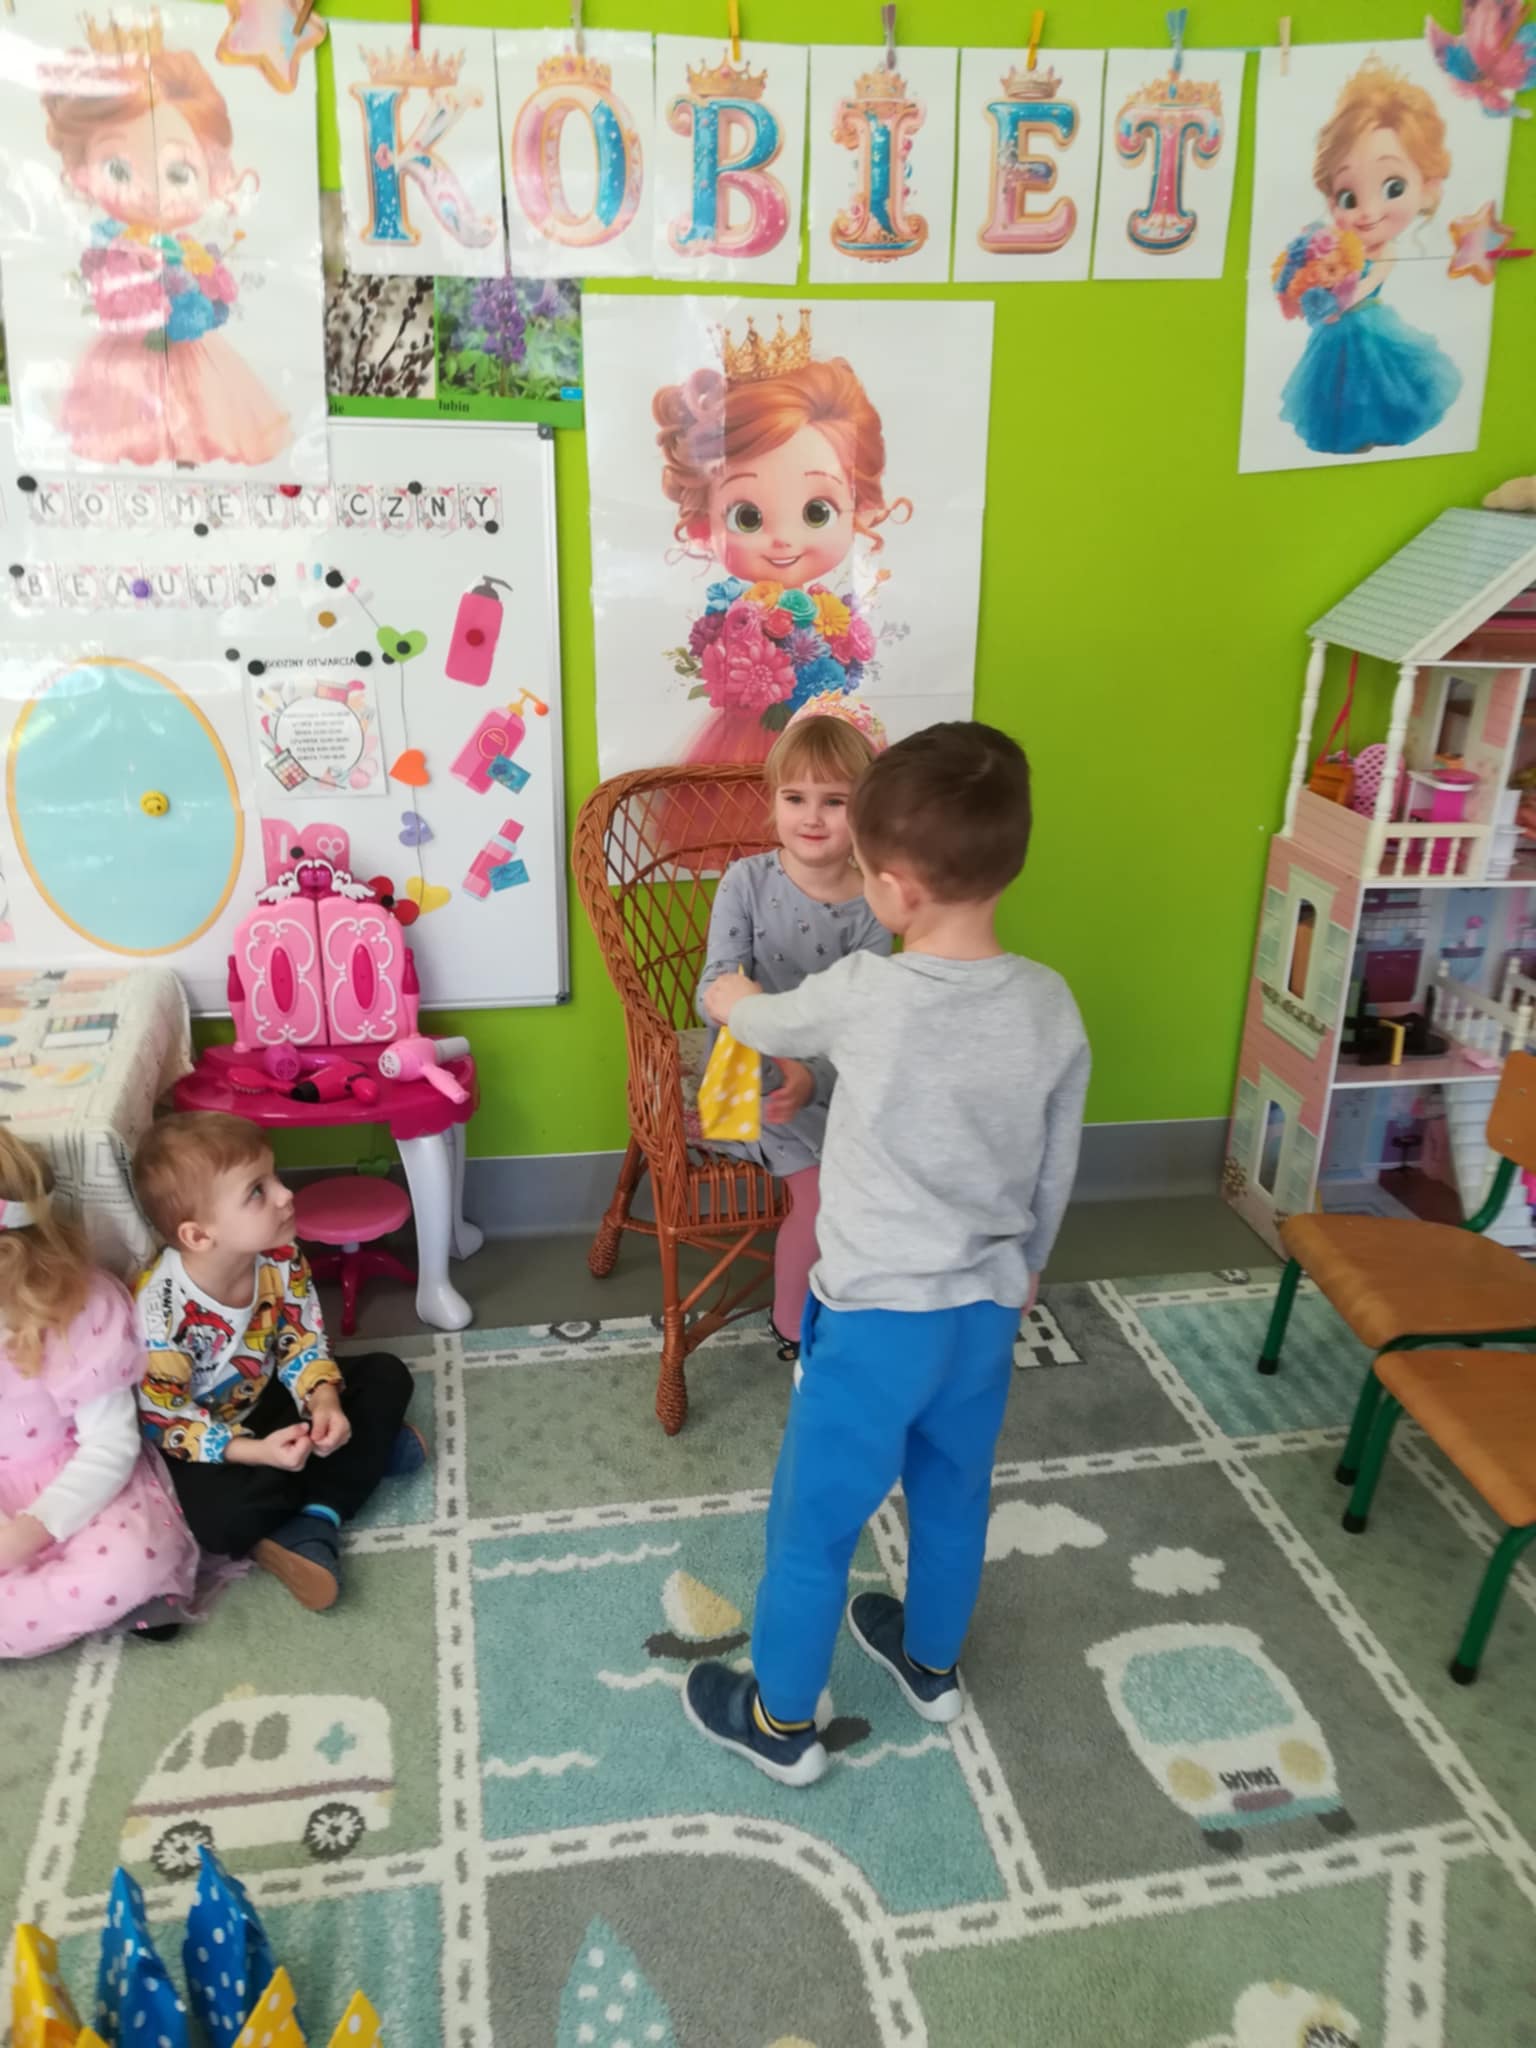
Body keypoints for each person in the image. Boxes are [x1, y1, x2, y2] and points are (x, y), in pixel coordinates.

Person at [685, 722, 1090, 1785]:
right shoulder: (1050, 1003)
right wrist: (1029, 1265)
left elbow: (762, 1016)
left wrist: (725, 997)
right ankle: (930, 1662)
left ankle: (779, 1721)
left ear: (896, 891)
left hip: (873, 1319)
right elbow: (1056, 1164)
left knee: (814, 1527)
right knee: (954, 1499)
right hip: (987, 1311)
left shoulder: (866, 990)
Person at [131, 1113, 421, 1613]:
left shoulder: (280, 1254)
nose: (286, 1195)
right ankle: (343, 1481)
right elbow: (167, 1420)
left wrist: (324, 1401)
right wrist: (256, 1452)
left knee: (387, 1374)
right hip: (211, 1440)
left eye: (275, 1178)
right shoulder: (160, 1313)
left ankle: (315, 1514)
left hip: (268, 1398)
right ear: (198, 1236)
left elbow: (301, 1340)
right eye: (257, 1191)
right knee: (222, 1522)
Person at [696, 697, 891, 1356]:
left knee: (889, 1172)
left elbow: (866, 1021)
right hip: (754, 1078)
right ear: (773, 800)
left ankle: (872, 1298)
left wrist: (816, 1073)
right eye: (795, 798)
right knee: (822, 1193)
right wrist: (753, 1013)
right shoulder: (747, 881)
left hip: (839, 1076)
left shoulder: (876, 904)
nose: (812, 817)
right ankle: (792, 1324)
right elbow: (713, 991)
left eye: (835, 801)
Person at [652, 309, 910, 778]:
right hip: (741, 744)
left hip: (826, 738)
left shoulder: (832, 616)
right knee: (742, 805)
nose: (784, 539)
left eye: (817, 512)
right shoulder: (734, 616)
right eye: (747, 517)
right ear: (705, 515)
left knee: (837, 807)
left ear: (859, 504)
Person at [39, 18, 290, 466]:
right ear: (81, 173)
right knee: (120, 443)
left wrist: (203, 289)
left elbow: (207, 286)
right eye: (118, 169)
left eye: (178, 172)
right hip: (123, 363)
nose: (151, 192)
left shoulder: (189, 249)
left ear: (214, 173)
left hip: (193, 357)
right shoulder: (112, 245)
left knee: (202, 433)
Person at [0, 1130, 198, 1658]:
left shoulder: (77, 1307)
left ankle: (101, 1599)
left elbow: (109, 1444)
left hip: (81, 1481)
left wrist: (32, 1530)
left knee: (128, 1562)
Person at [1280, 60, 1461, 455]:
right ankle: (1351, 436)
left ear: (1428, 188)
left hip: (1366, 325)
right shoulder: (1334, 243)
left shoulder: (1385, 253)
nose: (1368, 212)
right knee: (1336, 392)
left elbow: (1366, 284)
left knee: (1376, 386)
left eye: (1393, 187)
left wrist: (1335, 301)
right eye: (1348, 197)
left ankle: (1377, 430)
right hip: (1333, 332)